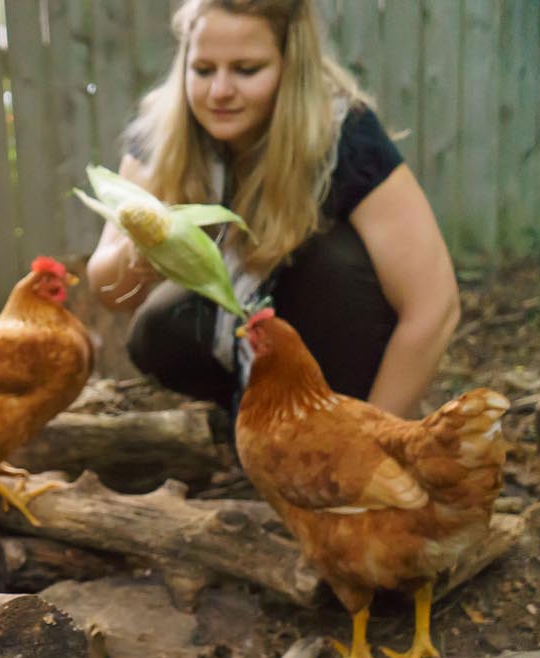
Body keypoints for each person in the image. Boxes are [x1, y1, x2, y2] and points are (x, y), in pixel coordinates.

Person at [85, 0, 459, 419]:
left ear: (289, 66)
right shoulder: (162, 130)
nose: (219, 91)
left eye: (247, 70)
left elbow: (435, 306)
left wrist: (375, 436)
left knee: (330, 261)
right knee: (161, 324)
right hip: (248, 327)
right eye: (203, 69)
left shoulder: (344, 135)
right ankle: (253, 421)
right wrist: (138, 252)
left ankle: (336, 420)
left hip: (336, 333)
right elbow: (106, 288)